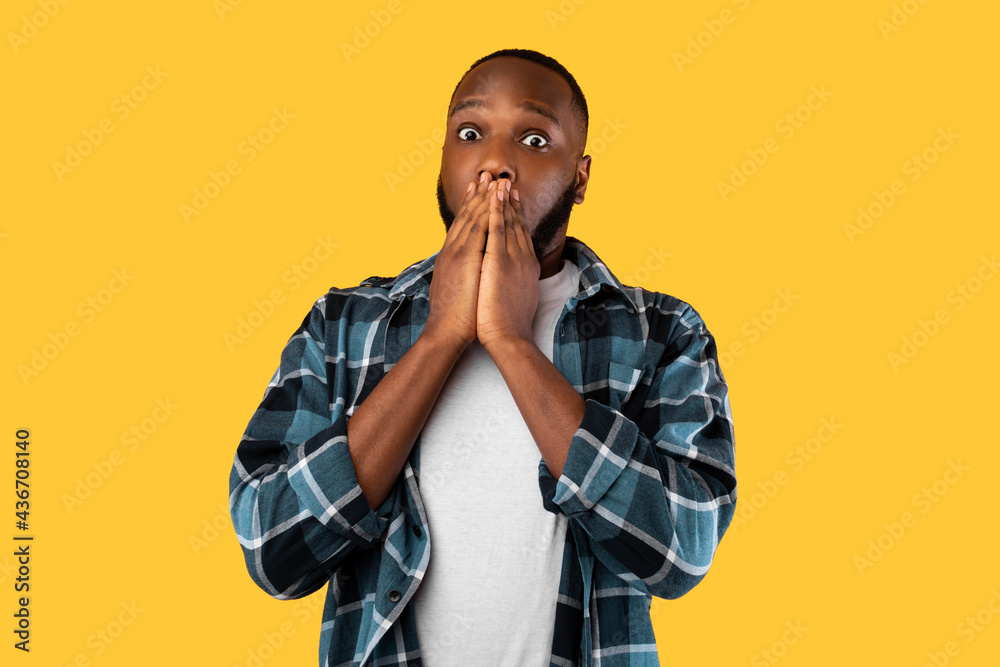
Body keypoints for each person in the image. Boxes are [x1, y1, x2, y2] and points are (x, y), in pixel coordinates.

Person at [229, 48, 737, 667]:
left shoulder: (662, 332)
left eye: (532, 139)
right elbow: (273, 550)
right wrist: (441, 336)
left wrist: (513, 343)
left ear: (580, 177)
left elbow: (681, 550)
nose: (495, 162)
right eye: (470, 134)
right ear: (443, 158)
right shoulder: (343, 324)